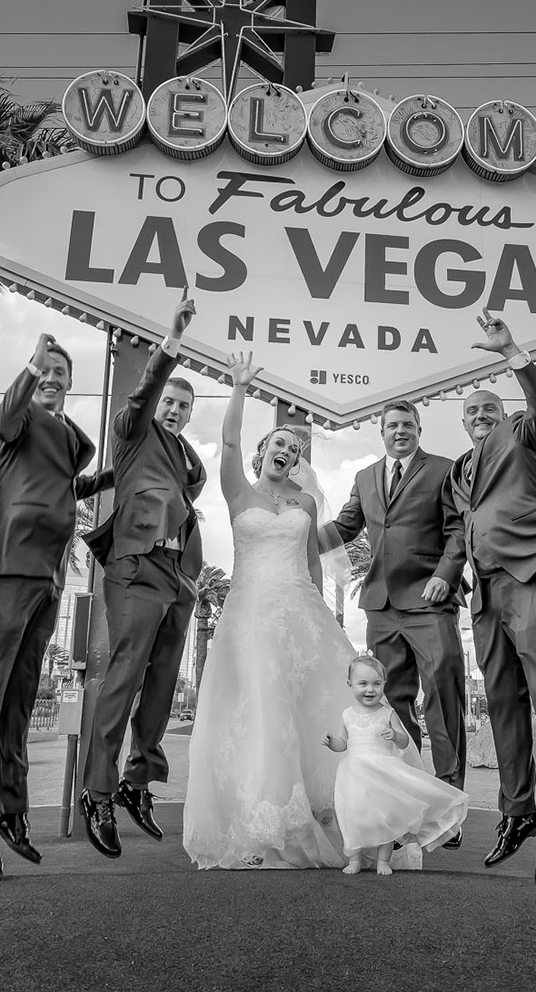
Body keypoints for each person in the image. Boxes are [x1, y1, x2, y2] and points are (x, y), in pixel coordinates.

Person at [183, 352, 358, 870]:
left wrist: (325, 621)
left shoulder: (304, 505)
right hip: (251, 616)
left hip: (301, 613)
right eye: (279, 443)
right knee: (263, 709)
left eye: (295, 447)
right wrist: (238, 387)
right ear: (264, 452)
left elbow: (311, 567)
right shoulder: (238, 492)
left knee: (311, 707)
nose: (286, 449)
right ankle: (262, 821)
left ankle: (326, 813)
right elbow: (231, 441)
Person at [0, 333, 97, 880]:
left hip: (50, 578)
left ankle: (11, 809)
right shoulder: (16, 422)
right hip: (8, 566)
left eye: (61, 371)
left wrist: (118, 478)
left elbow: (64, 489)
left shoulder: (67, 437)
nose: (53, 377)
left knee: (19, 700)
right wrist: (30, 364)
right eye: (46, 370)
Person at [452, 311, 536, 888]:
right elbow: (463, 527)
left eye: (488, 409)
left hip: (531, 580)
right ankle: (518, 811)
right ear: (462, 423)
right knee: (502, 704)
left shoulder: (522, 436)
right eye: (471, 412)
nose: (480, 417)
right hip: (485, 597)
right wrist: (451, 569)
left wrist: (513, 356)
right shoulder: (461, 470)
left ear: (502, 415)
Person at [77, 296, 206, 857]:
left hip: (177, 576)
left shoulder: (184, 455)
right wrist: (170, 346)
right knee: (124, 678)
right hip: (135, 566)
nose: (173, 409)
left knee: (160, 686)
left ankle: (136, 781)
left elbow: (187, 490)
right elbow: (146, 392)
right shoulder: (133, 429)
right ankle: (97, 792)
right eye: (170, 401)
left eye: (183, 405)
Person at [320, 400, 469, 835]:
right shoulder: (365, 477)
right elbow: (347, 526)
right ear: (381, 432)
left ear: (419, 428)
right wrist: (300, 535)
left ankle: (450, 802)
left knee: (442, 696)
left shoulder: (444, 469)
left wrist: (445, 574)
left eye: (407, 424)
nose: (399, 431)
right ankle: (408, 800)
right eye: (392, 426)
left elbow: (458, 528)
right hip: (382, 604)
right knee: (391, 705)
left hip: (429, 598)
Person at [324, 654, 469, 876]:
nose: (370, 689)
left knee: (386, 817)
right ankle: (354, 860)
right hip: (353, 774)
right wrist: (332, 742)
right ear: (350, 685)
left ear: (384, 685)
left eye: (376, 684)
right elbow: (343, 744)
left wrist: (394, 735)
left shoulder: (387, 713)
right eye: (363, 684)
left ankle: (384, 860)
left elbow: (403, 740)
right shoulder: (347, 715)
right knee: (352, 816)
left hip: (383, 772)